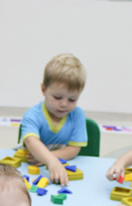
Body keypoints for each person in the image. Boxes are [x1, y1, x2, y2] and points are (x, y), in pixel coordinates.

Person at [20, 53, 87, 187]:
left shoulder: (77, 115)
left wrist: (50, 158)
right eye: (57, 97)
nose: (64, 104)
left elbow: (74, 149)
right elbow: (30, 140)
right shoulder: (33, 115)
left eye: (72, 99)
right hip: (29, 169)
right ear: (44, 89)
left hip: (57, 169)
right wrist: (50, 161)